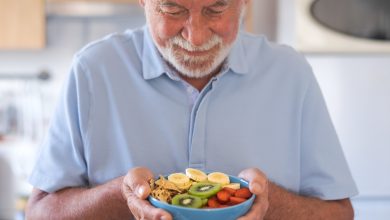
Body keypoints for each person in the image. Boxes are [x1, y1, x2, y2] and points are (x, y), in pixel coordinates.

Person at [26, 0, 358, 219]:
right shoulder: (92, 71)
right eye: (172, 8)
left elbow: (340, 214)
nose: (195, 37)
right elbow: (39, 212)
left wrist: (267, 201)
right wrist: (122, 194)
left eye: (215, 9)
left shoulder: (290, 72)